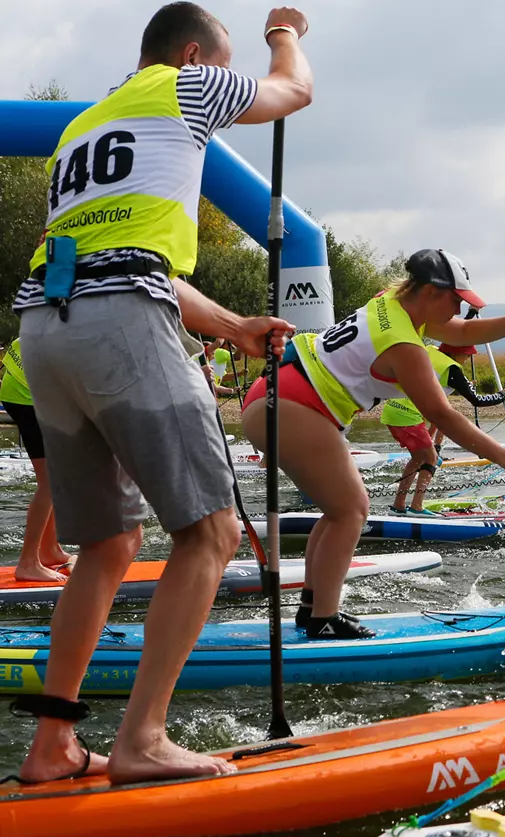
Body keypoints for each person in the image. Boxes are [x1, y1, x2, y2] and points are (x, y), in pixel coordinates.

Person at [13, 2, 313, 786]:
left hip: (45, 326)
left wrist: (233, 322)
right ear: (194, 56)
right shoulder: (186, 88)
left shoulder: (84, 128)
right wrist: (285, 35)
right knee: (211, 532)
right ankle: (143, 739)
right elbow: (292, 92)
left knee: (107, 547)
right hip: (120, 326)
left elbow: (127, 256)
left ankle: (50, 747)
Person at [242, 250, 505, 636]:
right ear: (432, 292)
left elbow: (461, 333)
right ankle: (322, 617)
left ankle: (314, 608)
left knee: (340, 511)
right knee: (351, 511)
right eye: (458, 301)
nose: (461, 311)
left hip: (272, 395)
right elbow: (443, 415)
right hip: (290, 406)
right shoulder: (403, 345)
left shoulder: (391, 301)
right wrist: (503, 456)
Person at [382, 345, 505, 516]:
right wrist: (501, 396)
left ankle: (399, 505)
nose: (467, 359)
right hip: (407, 415)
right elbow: (477, 400)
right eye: (466, 355)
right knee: (431, 458)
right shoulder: (452, 369)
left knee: (419, 458)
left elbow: (437, 407)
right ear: (456, 352)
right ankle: (416, 507)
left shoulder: (431, 349)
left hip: (392, 410)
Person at [0, 339, 76, 582]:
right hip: (28, 397)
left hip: (22, 391)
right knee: (50, 481)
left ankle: (49, 550)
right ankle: (28, 563)